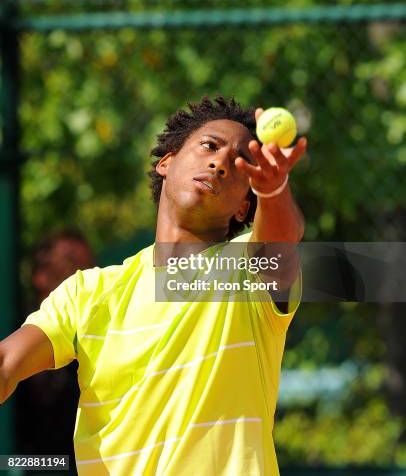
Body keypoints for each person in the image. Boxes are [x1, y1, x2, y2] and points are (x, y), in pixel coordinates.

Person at [1, 95, 307, 475]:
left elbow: (282, 239)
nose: (221, 163)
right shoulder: (88, 292)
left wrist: (274, 190)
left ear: (244, 207)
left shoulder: (246, 268)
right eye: (210, 146)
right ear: (167, 162)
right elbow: (6, 363)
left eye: (242, 163)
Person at [15, 230, 95, 473]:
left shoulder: (96, 338)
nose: (80, 278)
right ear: (40, 276)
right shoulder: (15, 332)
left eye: (88, 268)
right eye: (70, 264)